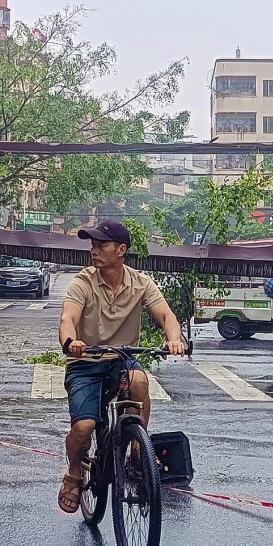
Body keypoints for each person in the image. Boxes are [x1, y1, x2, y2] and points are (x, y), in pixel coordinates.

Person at [56, 220, 186, 513]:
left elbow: (166, 316)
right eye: (93, 245)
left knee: (139, 382)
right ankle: (74, 472)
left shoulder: (141, 283)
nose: (95, 250)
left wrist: (174, 340)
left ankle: (138, 447)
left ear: (121, 250)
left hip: (122, 358)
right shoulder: (83, 282)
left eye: (102, 245)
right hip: (86, 362)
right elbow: (68, 319)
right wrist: (71, 342)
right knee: (84, 426)